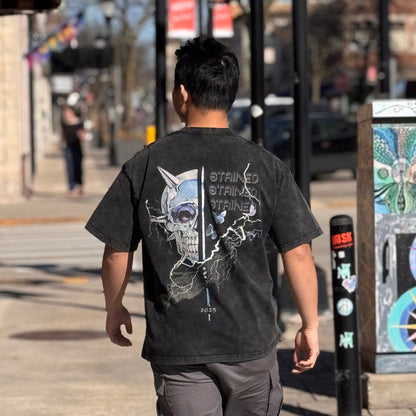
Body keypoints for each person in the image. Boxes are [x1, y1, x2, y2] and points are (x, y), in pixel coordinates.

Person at [86, 37, 322, 416]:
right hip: (251, 341)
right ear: (229, 95)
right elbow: (298, 251)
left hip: (180, 346)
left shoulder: (144, 164)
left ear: (182, 94)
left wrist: (114, 307)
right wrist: (309, 323)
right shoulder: (265, 165)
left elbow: (116, 252)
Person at [61, 105, 85, 197]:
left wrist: (81, 135)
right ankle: (71, 188)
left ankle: (78, 186)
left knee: (77, 167)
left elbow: (83, 135)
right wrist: (60, 143)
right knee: (69, 168)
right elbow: (63, 135)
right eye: (65, 113)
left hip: (77, 148)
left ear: (72, 112)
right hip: (68, 148)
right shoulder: (64, 124)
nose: (66, 115)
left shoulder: (79, 123)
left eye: (67, 113)